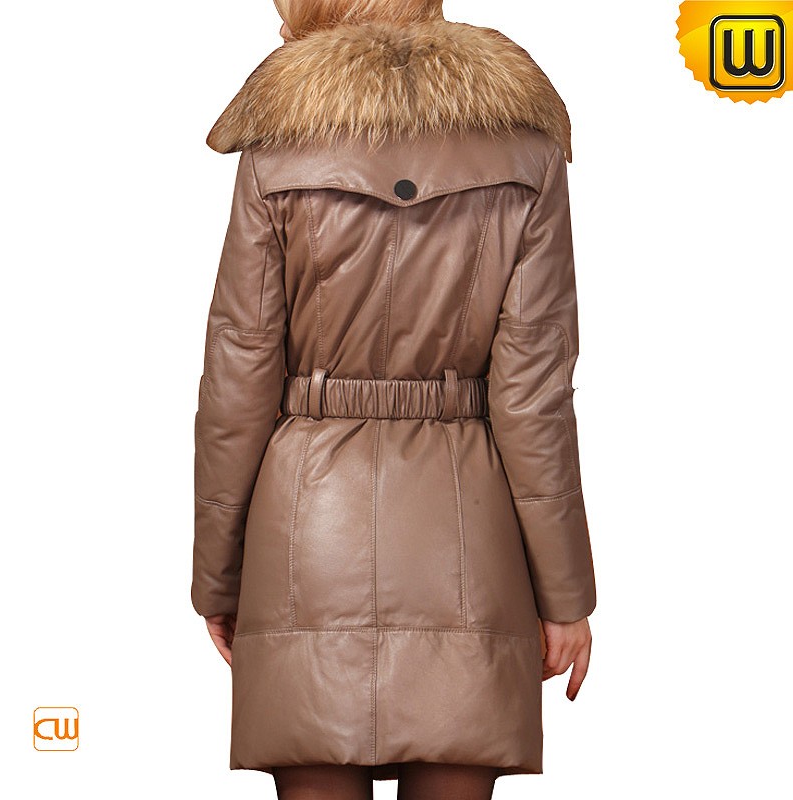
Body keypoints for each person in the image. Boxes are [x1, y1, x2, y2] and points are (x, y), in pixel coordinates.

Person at [191, 1, 597, 798]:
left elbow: (237, 378)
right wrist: (567, 595)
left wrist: (218, 575)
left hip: (305, 535)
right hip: (467, 537)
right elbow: (535, 398)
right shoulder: (525, 147)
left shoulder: (277, 147)